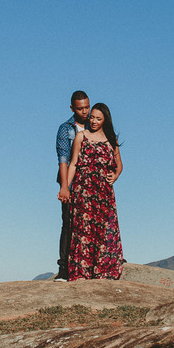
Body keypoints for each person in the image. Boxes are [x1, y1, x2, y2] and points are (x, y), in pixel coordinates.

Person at [65, 102, 123, 280]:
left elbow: (119, 165)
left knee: (104, 231)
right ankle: (81, 272)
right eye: (92, 117)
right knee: (83, 231)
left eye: (99, 118)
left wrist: (115, 176)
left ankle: (102, 271)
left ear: (105, 120)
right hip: (83, 191)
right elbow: (73, 163)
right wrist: (65, 188)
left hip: (104, 194)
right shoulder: (81, 137)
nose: (94, 121)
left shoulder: (111, 140)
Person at [55, 90, 91, 280]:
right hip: (71, 180)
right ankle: (64, 269)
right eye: (80, 108)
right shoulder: (65, 129)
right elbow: (63, 159)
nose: (85, 112)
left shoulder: (95, 125)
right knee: (68, 223)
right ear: (72, 108)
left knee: (95, 221)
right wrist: (65, 186)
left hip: (92, 183)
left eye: (87, 107)